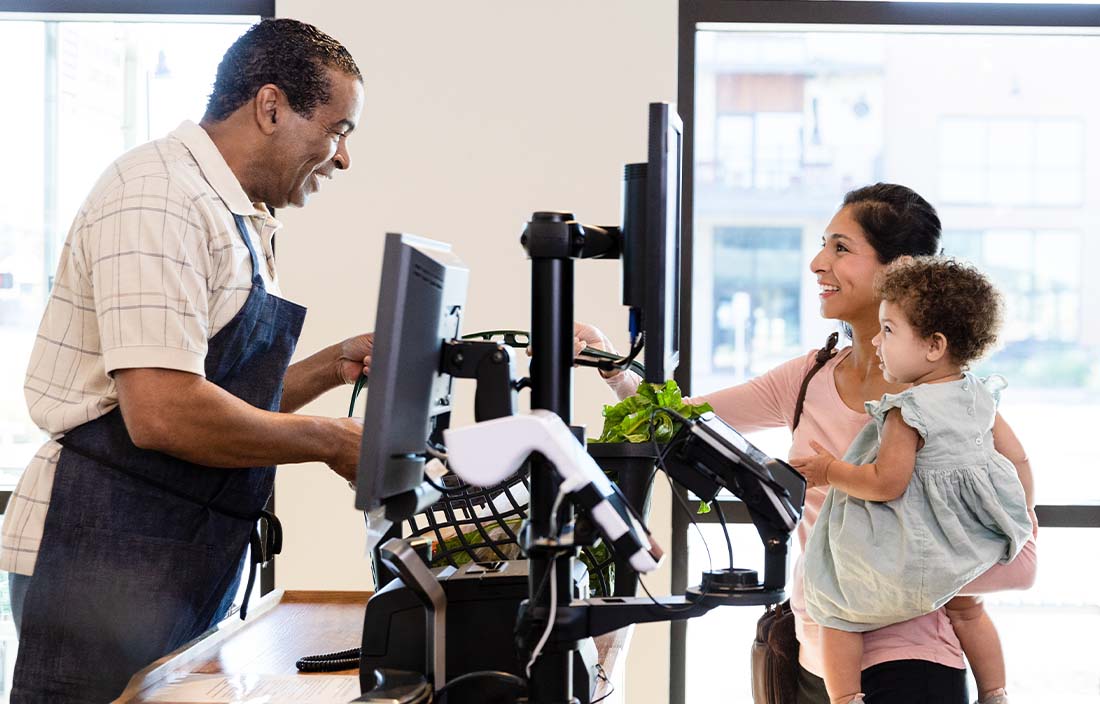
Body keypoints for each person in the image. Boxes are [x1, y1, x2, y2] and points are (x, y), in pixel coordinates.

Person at [1, 19, 373, 702]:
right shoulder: (160, 200)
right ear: (270, 107)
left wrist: (331, 365)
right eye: (338, 129)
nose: (341, 157)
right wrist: (329, 440)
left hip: (161, 554)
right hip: (95, 557)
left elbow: (218, 396)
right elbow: (166, 414)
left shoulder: (231, 213)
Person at [577, 183, 1038, 703]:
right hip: (813, 657)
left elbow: (1014, 537)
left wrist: (923, 575)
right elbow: (675, 420)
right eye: (824, 244)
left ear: (899, 268)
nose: (819, 263)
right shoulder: (807, 378)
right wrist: (613, 366)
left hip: (913, 663)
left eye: (842, 248)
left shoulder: (944, 397)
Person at [790, 257, 1034, 704]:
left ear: (934, 345)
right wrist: (1021, 517)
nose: (875, 341)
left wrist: (829, 471)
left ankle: (845, 697)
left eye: (888, 330)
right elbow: (1016, 458)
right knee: (967, 607)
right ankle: (995, 691)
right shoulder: (977, 396)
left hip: (913, 552)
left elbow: (886, 484)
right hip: (961, 545)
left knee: (833, 609)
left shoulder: (907, 410)